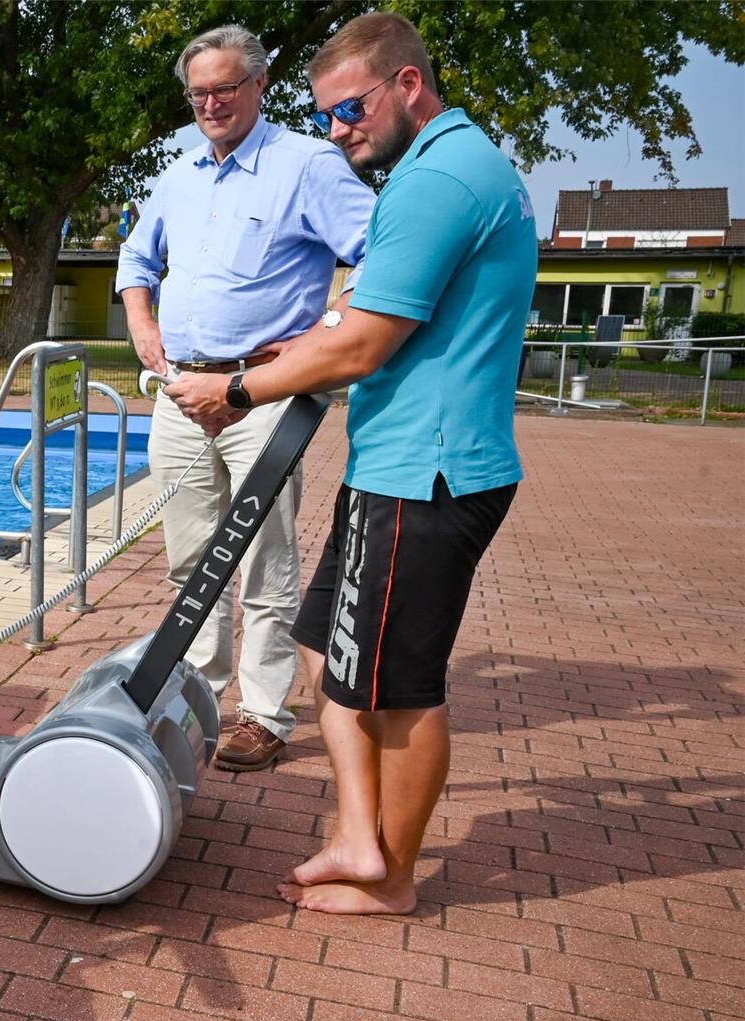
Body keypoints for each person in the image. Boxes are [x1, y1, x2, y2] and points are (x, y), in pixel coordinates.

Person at [165, 12, 536, 914]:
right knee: (334, 664)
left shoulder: (437, 178)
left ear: (407, 83)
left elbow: (364, 342)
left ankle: (390, 876)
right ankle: (357, 836)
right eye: (327, 114)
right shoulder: (455, 166)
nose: (337, 131)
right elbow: (369, 309)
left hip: (429, 471)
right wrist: (297, 345)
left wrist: (241, 392)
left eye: (350, 108)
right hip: (401, 465)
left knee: (400, 691)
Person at [116, 24, 375, 772]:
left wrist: (317, 339)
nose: (210, 103)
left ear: (260, 85)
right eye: (197, 92)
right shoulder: (179, 169)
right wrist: (140, 317)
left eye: (225, 88)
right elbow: (137, 256)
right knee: (189, 559)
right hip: (180, 392)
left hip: (261, 396)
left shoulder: (309, 165)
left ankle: (264, 714)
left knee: (263, 559)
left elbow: (379, 257)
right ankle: (198, 693)